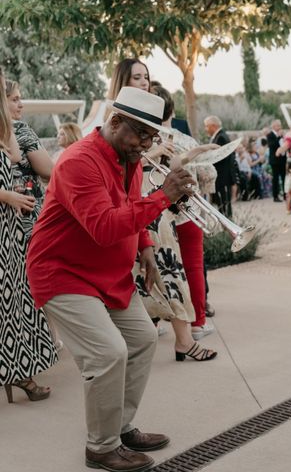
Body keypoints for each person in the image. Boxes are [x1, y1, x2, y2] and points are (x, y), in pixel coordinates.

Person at [26, 86, 196, 472]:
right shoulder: (77, 162)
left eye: (152, 137)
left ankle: (119, 428)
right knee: (107, 353)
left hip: (107, 272)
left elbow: (130, 209)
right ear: (115, 121)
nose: (145, 144)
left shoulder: (128, 158)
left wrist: (147, 250)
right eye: (140, 134)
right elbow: (103, 227)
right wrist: (164, 197)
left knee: (142, 338)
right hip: (62, 271)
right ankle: (100, 447)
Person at [133, 83, 218, 356]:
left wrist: (189, 156)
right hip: (160, 208)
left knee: (164, 268)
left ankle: (168, 330)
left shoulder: (147, 137)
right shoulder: (165, 136)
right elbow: (208, 176)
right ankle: (191, 329)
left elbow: (171, 166)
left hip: (157, 210)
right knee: (179, 269)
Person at [0, 67, 57, 404]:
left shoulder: (13, 131)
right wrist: (6, 196)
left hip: (10, 229)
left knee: (16, 299)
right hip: (7, 220)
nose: (18, 104)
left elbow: (26, 162)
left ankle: (21, 372)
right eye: (13, 99)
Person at [5, 79, 54, 241]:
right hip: (27, 214)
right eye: (14, 99)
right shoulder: (20, 129)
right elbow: (49, 171)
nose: (21, 104)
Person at [204, 115, 235, 217]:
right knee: (222, 203)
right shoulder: (221, 136)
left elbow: (218, 158)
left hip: (222, 177)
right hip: (223, 177)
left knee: (224, 204)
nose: (205, 129)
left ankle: (227, 226)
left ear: (213, 126)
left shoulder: (221, 137)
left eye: (206, 126)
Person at [267, 119, 285, 202]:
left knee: (284, 177)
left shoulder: (282, 135)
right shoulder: (270, 135)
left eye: (280, 125)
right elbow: (272, 145)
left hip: (282, 159)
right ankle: (275, 196)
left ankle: (285, 194)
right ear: (273, 126)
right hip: (275, 160)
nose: (279, 127)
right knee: (276, 178)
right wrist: (278, 137)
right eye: (278, 125)